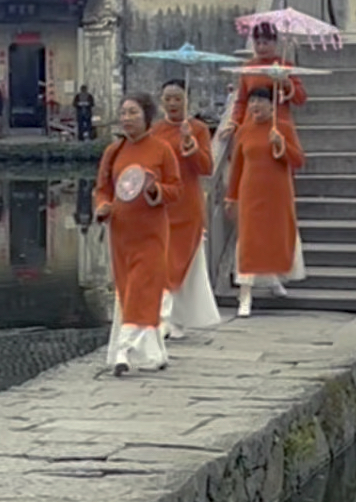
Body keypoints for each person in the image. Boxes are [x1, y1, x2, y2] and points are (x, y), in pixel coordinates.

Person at [94, 93, 182, 376]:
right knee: (129, 290)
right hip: (121, 232)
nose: (126, 119)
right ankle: (154, 355)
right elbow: (102, 188)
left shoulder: (162, 149)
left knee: (144, 287)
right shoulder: (114, 151)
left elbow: (175, 188)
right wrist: (102, 207)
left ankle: (124, 349)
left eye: (133, 113)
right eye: (123, 113)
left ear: (146, 117)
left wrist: (155, 190)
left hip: (151, 231)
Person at [225, 86, 306, 317]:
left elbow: (298, 160)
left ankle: (274, 278)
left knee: (275, 236)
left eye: (261, 101)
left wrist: (282, 144)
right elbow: (237, 166)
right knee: (249, 240)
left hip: (277, 192)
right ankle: (245, 294)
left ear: (272, 105)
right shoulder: (244, 131)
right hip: (251, 191)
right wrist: (231, 196)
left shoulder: (284, 127)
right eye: (252, 102)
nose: (255, 106)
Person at [151, 79, 220, 338]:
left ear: (187, 99)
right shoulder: (156, 131)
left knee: (182, 263)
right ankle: (163, 318)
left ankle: (175, 320)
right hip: (163, 204)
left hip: (188, 205)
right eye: (168, 98)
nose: (172, 103)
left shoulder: (198, 129)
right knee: (163, 262)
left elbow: (207, 168)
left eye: (177, 98)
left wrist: (191, 148)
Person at [220, 20, 307, 137]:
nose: (261, 47)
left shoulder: (285, 66)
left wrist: (286, 82)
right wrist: (234, 122)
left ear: (275, 43)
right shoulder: (248, 68)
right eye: (257, 43)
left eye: (265, 43)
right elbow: (242, 100)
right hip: (252, 123)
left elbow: (300, 99)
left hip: (279, 123)